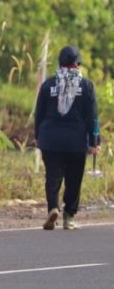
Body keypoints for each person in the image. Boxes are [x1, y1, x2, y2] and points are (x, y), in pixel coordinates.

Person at [35, 45, 101, 230]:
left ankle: (52, 208)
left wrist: (37, 136)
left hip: (50, 138)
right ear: (77, 64)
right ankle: (69, 217)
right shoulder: (86, 85)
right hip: (75, 141)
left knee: (53, 176)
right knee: (74, 179)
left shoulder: (48, 84)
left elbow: (39, 113)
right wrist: (94, 141)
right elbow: (93, 116)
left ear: (60, 62)